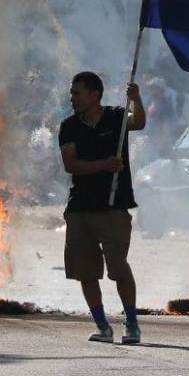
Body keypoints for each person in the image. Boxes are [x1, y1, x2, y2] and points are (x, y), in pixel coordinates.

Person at [58, 71, 146, 344]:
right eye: (72, 93)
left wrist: (136, 98)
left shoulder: (116, 117)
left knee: (119, 268)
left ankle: (131, 324)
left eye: (77, 93)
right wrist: (103, 165)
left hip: (113, 206)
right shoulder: (69, 126)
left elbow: (139, 122)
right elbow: (71, 165)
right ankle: (102, 326)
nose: (72, 98)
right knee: (85, 271)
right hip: (80, 207)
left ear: (94, 94)